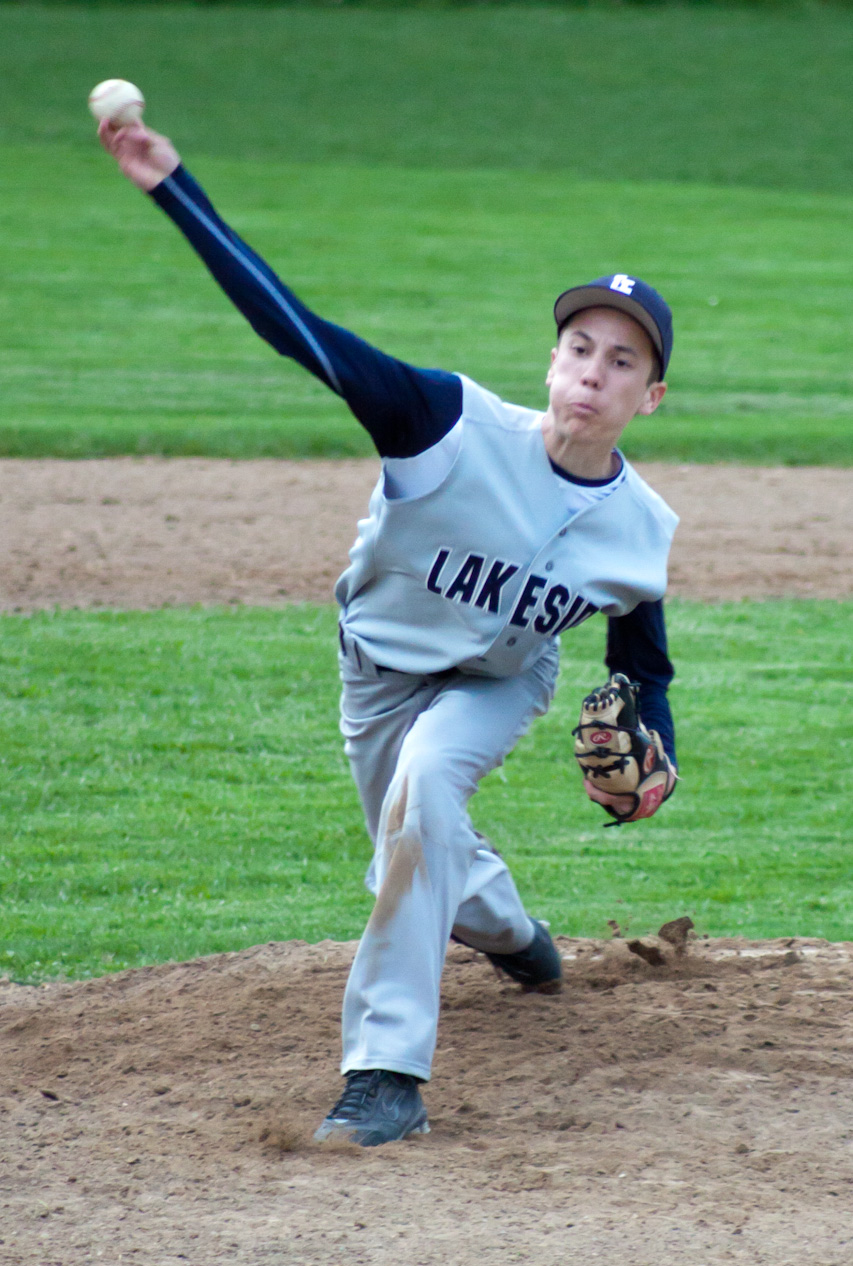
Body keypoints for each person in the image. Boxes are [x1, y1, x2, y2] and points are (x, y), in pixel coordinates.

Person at [98, 119, 679, 1147]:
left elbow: (643, 669)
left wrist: (654, 759)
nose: (594, 372)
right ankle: (512, 932)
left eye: (621, 360)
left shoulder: (638, 531)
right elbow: (297, 329)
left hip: (497, 683)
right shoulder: (442, 423)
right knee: (417, 835)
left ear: (650, 395)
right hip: (375, 672)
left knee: (422, 789)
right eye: (580, 348)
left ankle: (385, 1075)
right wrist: (173, 188)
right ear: (552, 362)